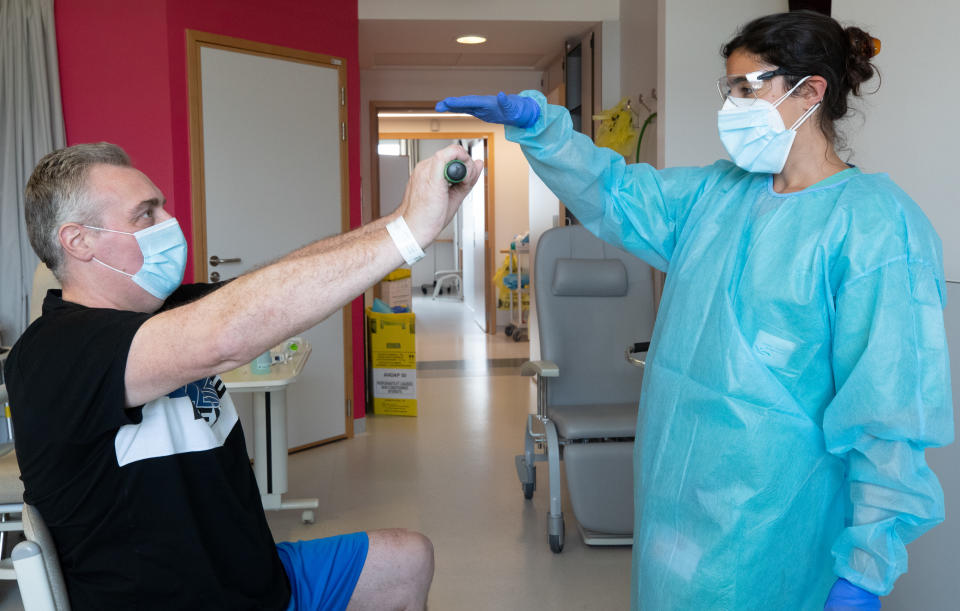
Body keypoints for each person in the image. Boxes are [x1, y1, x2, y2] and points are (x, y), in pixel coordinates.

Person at [437, 10, 952, 611]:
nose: (731, 107)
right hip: (675, 501)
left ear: (811, 91)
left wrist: (866, 566)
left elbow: (888, 414)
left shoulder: (876, 228)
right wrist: (544, 131)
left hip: (774, 523)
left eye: (746, 88)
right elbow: (615, 193)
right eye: (727, 89)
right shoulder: (716, 194)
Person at [3, 141, 481, 610]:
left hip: (255, 578)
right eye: (145, 214)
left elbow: (284, 279)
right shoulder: (54, 353)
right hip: (178, 600)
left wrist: (402, 222)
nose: (170, 223)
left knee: (408, 560)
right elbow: (223, 335)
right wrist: (407, 234)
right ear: (78, 241)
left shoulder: (165, 312)